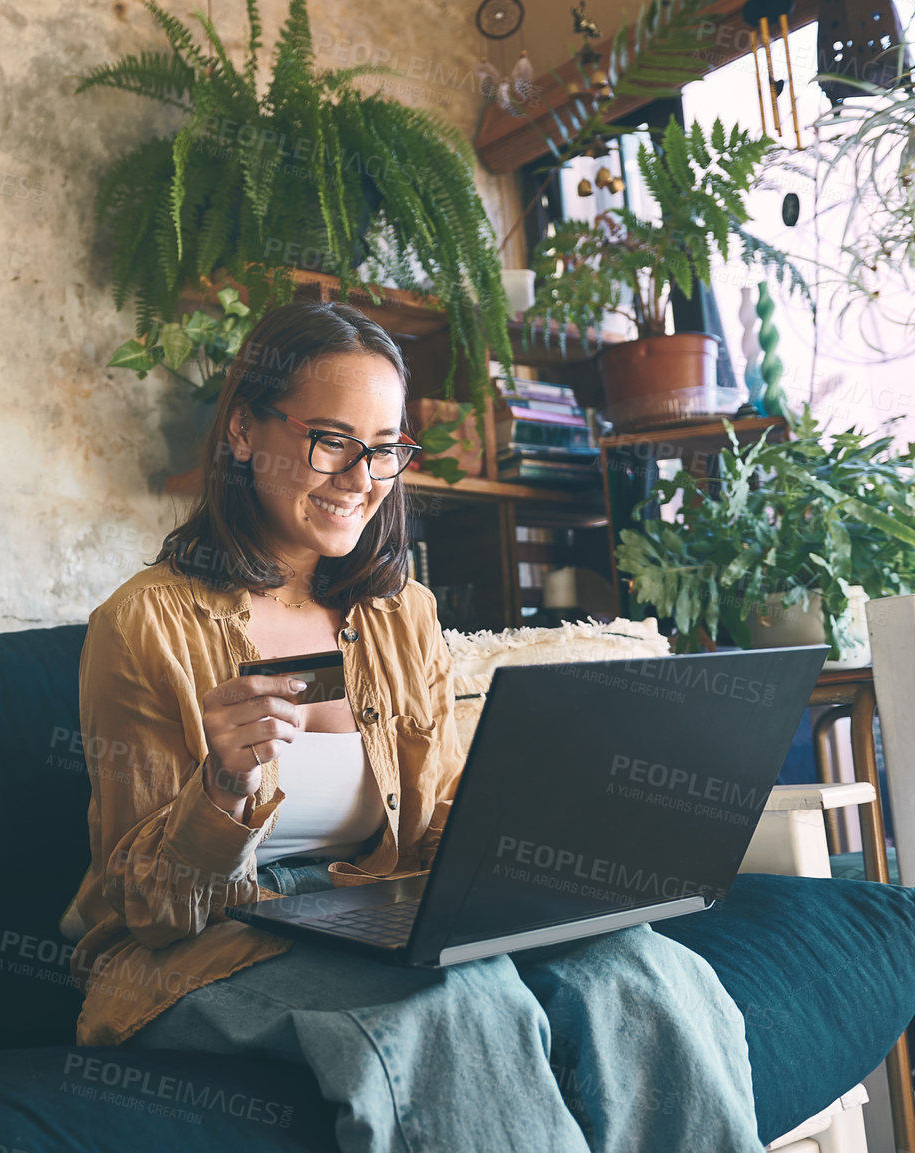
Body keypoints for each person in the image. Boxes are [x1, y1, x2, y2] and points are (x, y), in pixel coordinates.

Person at [59, 300, 762, 1153]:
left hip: (375, 908)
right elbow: (145, 908)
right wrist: (221, 789)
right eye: (331, 440)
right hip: (202, 947)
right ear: (242, 431)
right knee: (460, 1002)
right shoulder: (144, 625)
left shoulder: (399, 614)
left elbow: (434, 823)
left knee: (645, 968)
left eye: (385, 448)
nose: (362, 477)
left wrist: (541, 846)